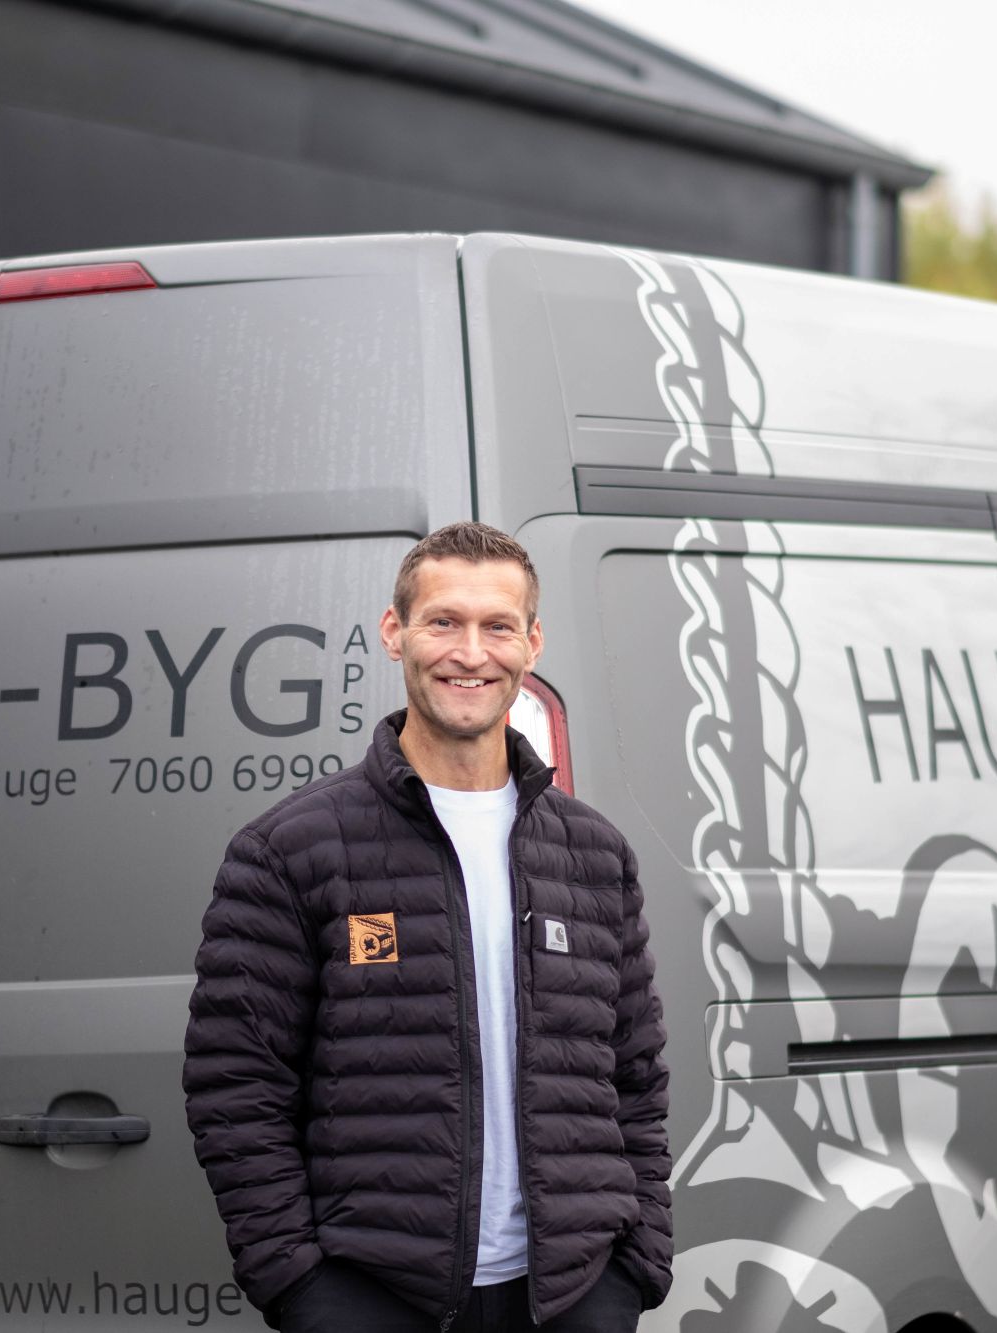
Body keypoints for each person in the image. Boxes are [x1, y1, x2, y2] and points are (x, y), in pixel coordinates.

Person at [183, 521, 672, 1332]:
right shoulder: (292, 848)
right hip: (373, 1295)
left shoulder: (593, 854)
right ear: (394, 631)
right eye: (444, 620)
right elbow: (236, 1083)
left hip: (571, 1296)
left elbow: (636, 1077)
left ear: (533, 643)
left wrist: (634, 1265)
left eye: (498, 626)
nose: (470, 652)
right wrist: (301, 1285)